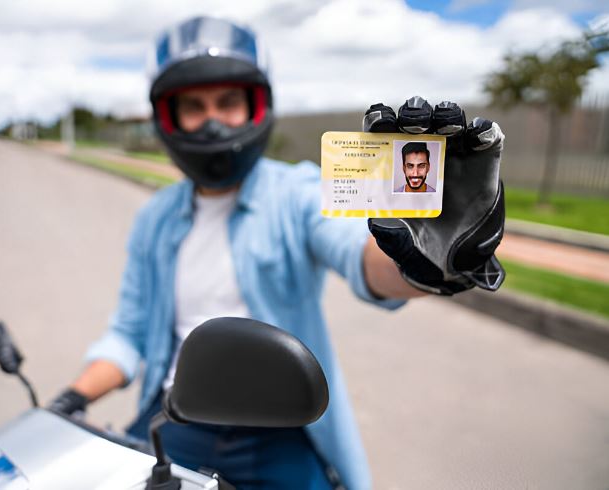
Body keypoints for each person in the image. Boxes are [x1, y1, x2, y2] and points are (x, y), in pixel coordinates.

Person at [49, 16, 506, 490]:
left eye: (228, 102)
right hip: (177, 414)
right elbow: (128, 332)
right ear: (169, 116)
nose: (211, 120)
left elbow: (362, 259)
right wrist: (71, 398)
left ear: (255, 106)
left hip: (283, 425)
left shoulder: (298, 192)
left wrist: (430, 262)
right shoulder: (155, 218)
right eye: (193, 106)